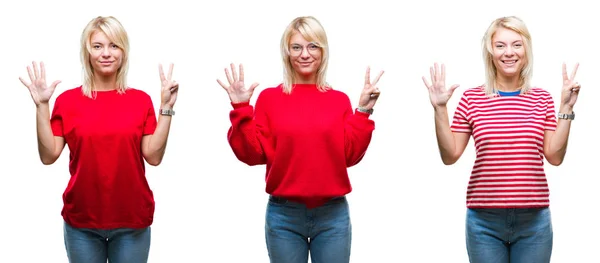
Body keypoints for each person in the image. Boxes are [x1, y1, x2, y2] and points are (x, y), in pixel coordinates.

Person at [217, 16, 384, 263]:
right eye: (297, 47)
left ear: (323, 51)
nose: (305, 54)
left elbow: (348, 157)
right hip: (284, 215)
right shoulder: (270, 99)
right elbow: (251, 155)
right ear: (287, 53)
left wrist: (363, 112)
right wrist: (241, 108)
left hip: (332, 214)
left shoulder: (338, 100)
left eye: (313, 46)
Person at [18, 16, 179, 263]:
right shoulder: (67, 101)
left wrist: (165, 108)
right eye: (97, 46)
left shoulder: (140, 100)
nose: (106, 53)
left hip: (131, 220)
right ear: (87, 52)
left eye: (114, 45)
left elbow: (153, 156)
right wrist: (42, 105)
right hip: (81, 222)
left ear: (124, 52)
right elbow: (48, 155)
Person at [422, 16, 581, 263]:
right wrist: (440, 109)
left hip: (534, 221)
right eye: (500, 45)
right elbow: (450, 155)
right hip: (484, 222)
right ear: (490, 52)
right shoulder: (471, 99)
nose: (509, 53)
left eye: (517, 44)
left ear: (526, 50)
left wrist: (566, 107)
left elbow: (555, 157)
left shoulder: (542, 99)